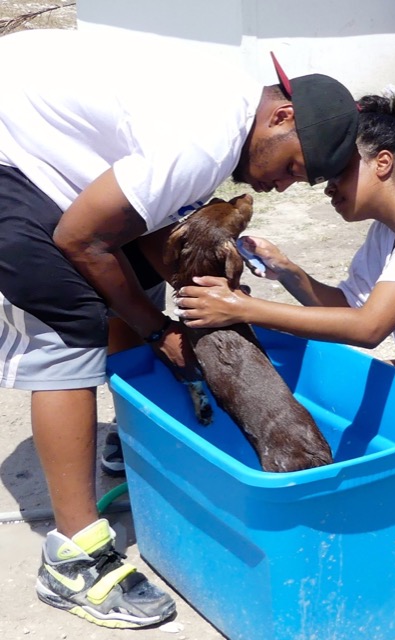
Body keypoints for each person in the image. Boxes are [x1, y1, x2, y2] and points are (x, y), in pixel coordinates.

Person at [0, 25, 359, 628]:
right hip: (12, 149)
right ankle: (73, 557)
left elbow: (138, 228)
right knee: (69, 325)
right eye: (295, 167)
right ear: (283, 116)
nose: (282, 184)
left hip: (40, 139)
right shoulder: (206, 137)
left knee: (130, 271)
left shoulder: (225, 111)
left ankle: (135, 427)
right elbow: (78, 237)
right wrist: (155, 330)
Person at [175, 93, 395, 587]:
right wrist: (285, 270)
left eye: (339, 173)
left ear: (384, 164)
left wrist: (240, 308)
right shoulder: (389, 231)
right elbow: (345, 307)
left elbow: (368, 329)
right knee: (387, 394)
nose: (326, 187)